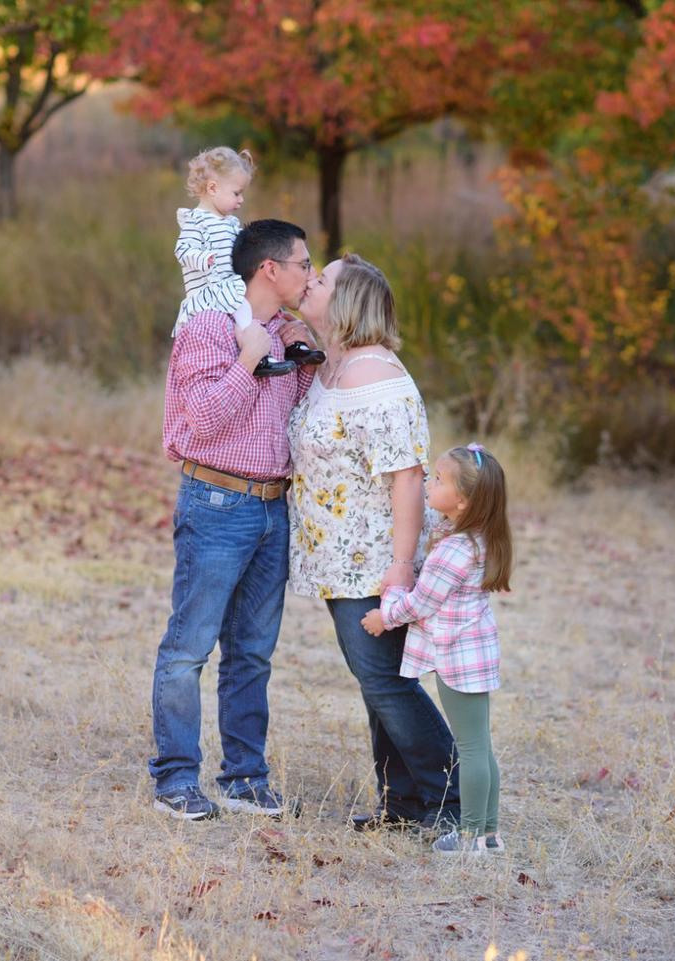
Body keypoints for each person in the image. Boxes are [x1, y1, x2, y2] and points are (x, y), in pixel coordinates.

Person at [149, 218, 320, 821]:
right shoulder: (211, 330)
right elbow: (203, 423)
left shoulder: (289, 334)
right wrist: (249, 360)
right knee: (189, 648)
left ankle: (244, 778)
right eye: (303, 263)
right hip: (218, 503)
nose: (311, 273)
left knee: (252, 653)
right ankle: (175, 780)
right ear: (270, 269)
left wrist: (303, 353)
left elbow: (303, 419)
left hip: (275, 507)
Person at [288, 254, 461, 833]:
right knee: (380, 684)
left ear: (348, 302)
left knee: (387, 683)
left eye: (322, 280)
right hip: (341, 561)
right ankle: (403, 806)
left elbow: (407, 477)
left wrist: (401, 567)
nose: (310, 283)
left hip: (374, 563)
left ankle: (450, 804)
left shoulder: (378, 377)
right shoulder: (335, 366)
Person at [362, 444, 513, 855]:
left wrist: (386, 608)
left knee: (471, 749)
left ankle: (470, 838)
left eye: (439, 480)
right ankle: (489, 834)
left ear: (463, 501)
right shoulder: (477, 541)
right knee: (480, 745)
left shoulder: (453, 551)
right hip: (475, 654)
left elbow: (420, 604)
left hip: (458, 660)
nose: (429, 482)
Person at [172, 147, 323, 376]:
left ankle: (295, 346)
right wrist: (204, 258)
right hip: (211, 290)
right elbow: (182, 250)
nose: (241, 200)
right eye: (236, 193)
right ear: (213, 188)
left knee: (273, 311)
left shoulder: (231, 223)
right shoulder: (195, 221)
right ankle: (258, 357)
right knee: (246, 315)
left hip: (231, 284)